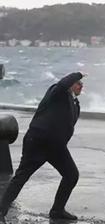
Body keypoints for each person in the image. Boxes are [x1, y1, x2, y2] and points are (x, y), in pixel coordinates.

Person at [0, 72, 86, 222]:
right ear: (70, 83)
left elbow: (68, 125)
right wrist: (78, 74)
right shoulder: (57, 92)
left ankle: (57, 210)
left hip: (56, 147)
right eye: (77, 82)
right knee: (22, 177)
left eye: (81, 84)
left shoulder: (75, 103)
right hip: (37, 142)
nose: (81, 85)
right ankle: (1, 211)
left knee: (71, 175)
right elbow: (62, 84)